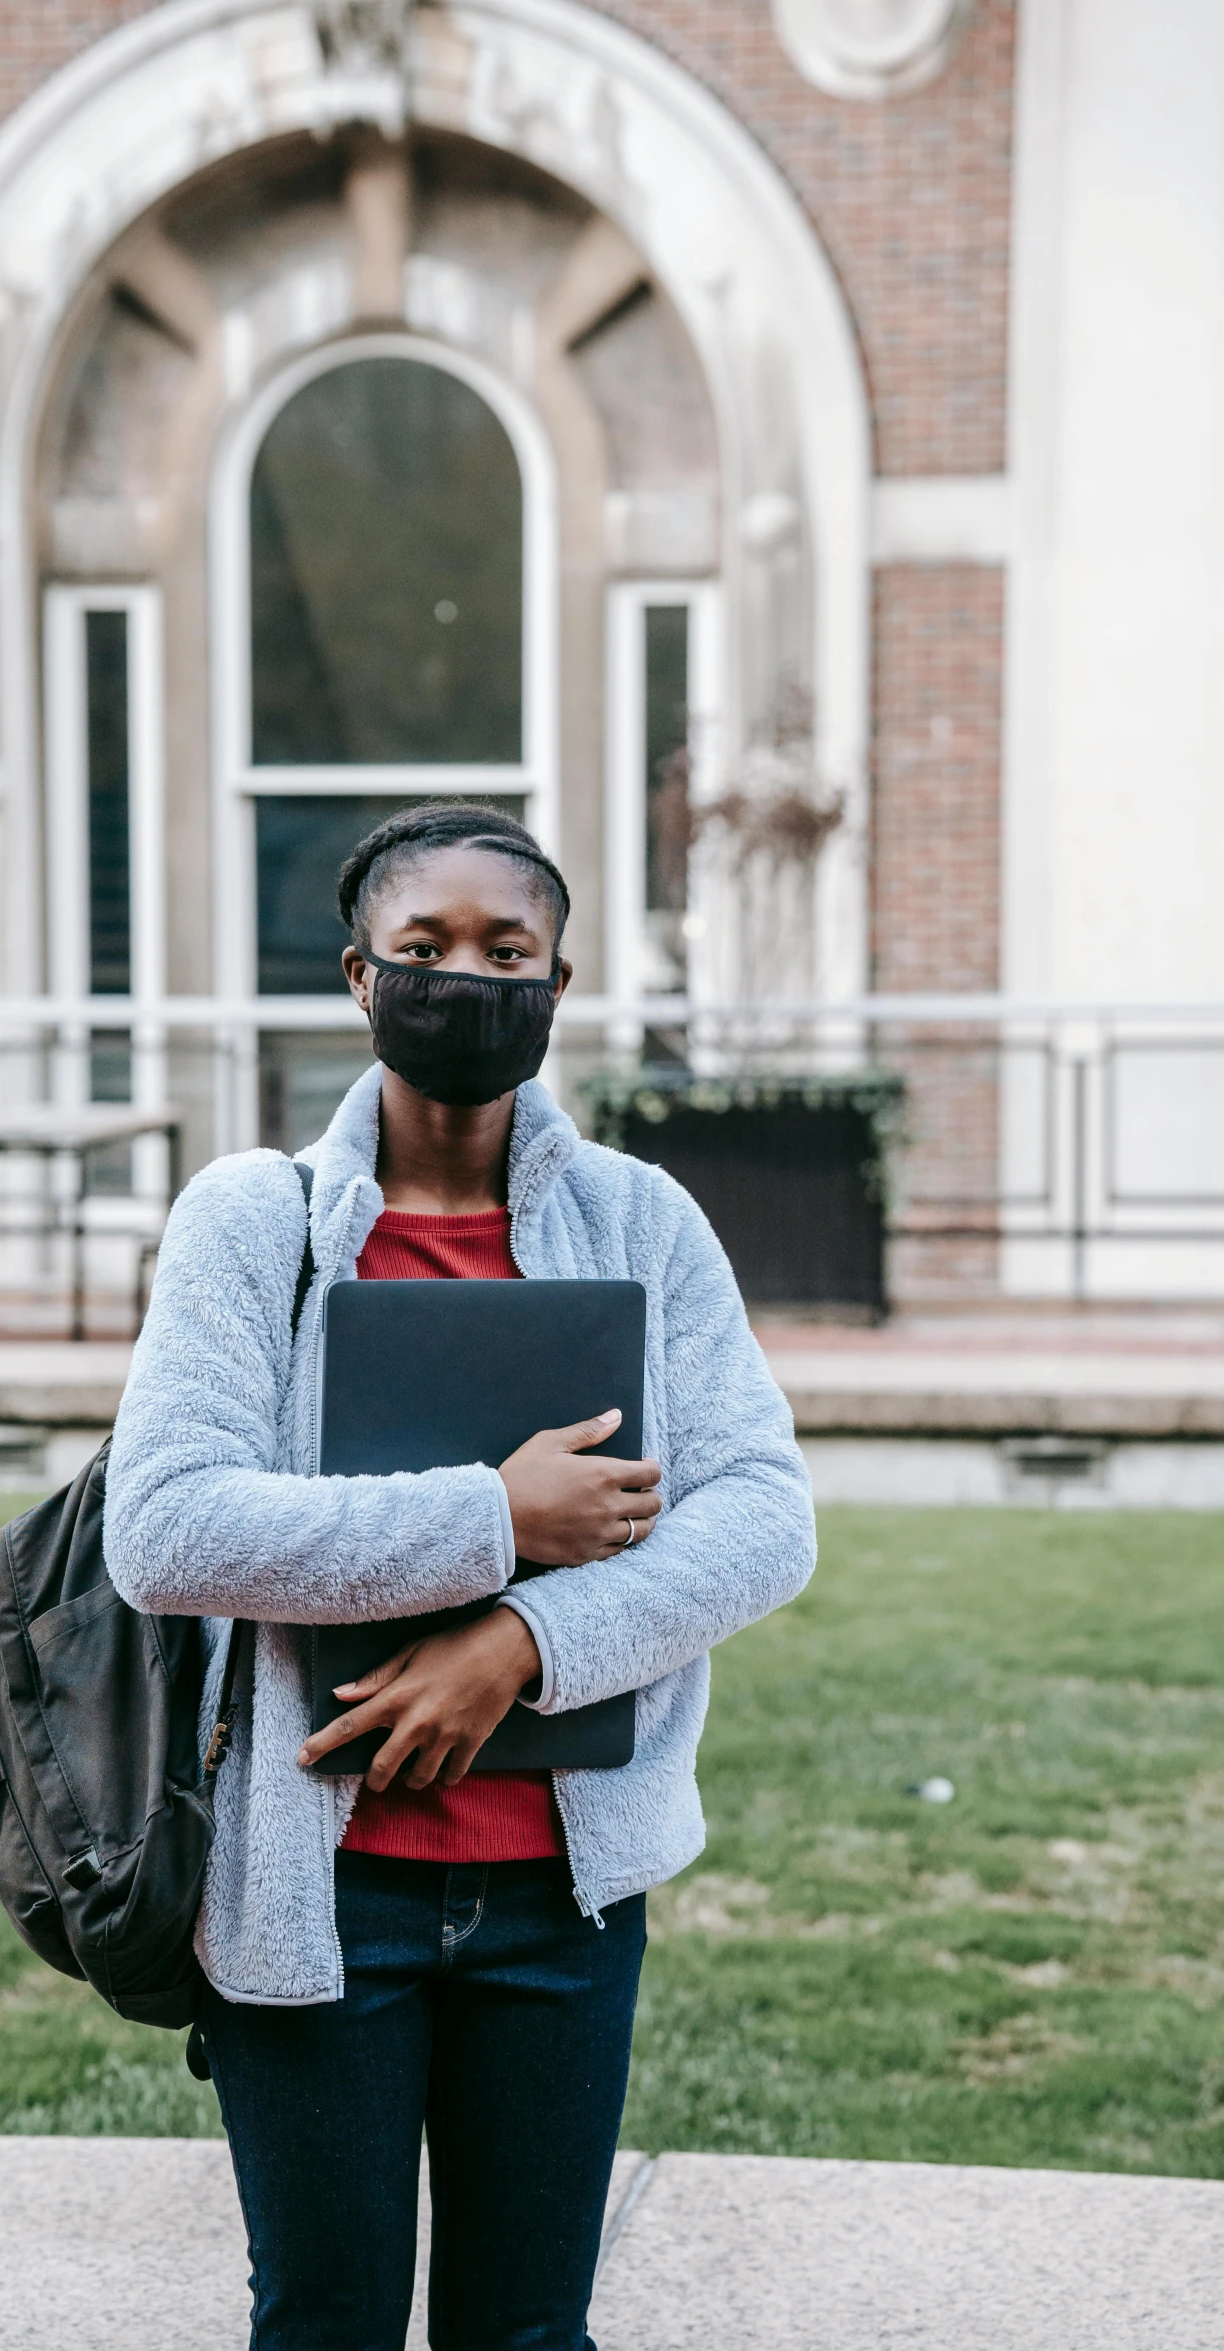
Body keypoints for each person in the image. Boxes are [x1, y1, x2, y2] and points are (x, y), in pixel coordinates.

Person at [105, 803, 815, 2351]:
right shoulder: (255, 1223)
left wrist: (518, 1640)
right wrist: (493, 1516)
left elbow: (763, 1512)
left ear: (559, 984)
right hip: (315, 1884)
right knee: (326, 2323)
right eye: (423, 949)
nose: (465, 980)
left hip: (559, 1902)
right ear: (360, 977)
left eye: (508, 951)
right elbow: (164, 1528)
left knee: (527, 2333)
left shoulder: (641, 1217)